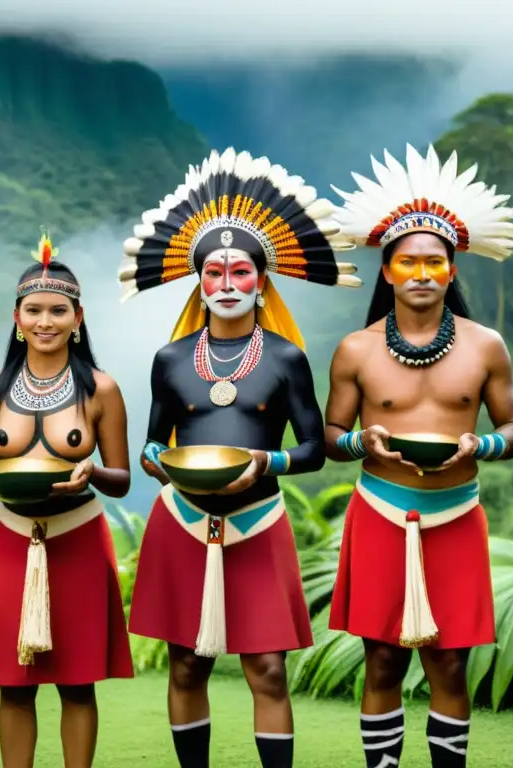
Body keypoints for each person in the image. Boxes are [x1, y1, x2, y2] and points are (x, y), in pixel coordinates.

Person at [120, 147, 361, 768]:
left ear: (263, 280)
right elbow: (154, 438)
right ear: (199, 282)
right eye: (215, 274)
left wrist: (266, 465)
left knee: (268, 668)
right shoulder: (172, 359)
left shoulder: (284, 358)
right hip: (181, 519)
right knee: (185, 663)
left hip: (257, 521)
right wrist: (154, 459)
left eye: (240, 273)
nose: (227, 285)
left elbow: (313, 450)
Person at [324, 143, 513, 768]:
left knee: (450, 658)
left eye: (432, 263)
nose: (419, 273)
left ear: (451, 271)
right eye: (406, 262)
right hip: (380, 510)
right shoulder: (355, 350)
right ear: (386, 271)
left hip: (456, 515)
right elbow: (331, 435)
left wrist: (481, 444)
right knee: (381, 655)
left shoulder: (485, 345)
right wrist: (364, 441)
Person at [0, 233, 134, 768]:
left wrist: (92, 472)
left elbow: (122, 478)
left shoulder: (101, 389)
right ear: (17, 317)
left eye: (58, 310)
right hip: (11, 537)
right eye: (33, 310)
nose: (45, 321)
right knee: (14, 685)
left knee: (77, 684)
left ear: (77, 318)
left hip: (78, 536)